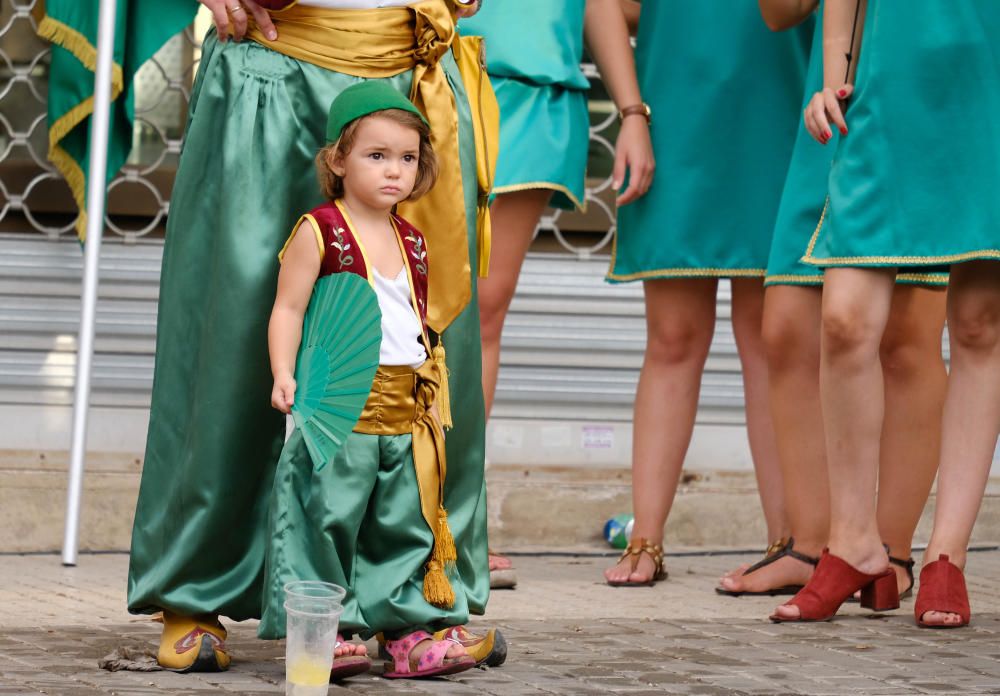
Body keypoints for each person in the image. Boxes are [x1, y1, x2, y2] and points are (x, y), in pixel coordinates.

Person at [126, 0, 503, 672]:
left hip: (405, 71)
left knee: (414, 354)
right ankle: (194, 589)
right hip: (272, 62)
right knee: (238, 335)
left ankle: (405, 606)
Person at [772, 0, 1000, 627]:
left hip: (992, 82)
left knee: (980, 322)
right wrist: (832, 70)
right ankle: (853, 542)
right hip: (885, 83)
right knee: (845, 320)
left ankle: (945, 555)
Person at [716, 0, 947, 599]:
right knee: (788, 326)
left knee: (906, 333)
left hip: (924, 87)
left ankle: (891, 554)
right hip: (837, 93)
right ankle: (812, 544)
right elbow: (777, 13)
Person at [257, 82, 478, 679]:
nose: (394, 172)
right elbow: (288, 309)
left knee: (399, 523)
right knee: (326, 518)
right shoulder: (319, 230)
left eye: (407, 159)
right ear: (337, 160)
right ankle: (323, 633)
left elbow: (413, 320)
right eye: (375, 156)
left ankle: (404, 633)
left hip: (402, 406)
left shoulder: (412, 240)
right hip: (338, 407)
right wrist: (283, 371)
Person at [604, 0, 811, 586]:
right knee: (672, 338)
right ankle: (645, 537)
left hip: (783, 107)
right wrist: (631, 112)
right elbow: (608, 7)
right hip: (674, 114)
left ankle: (791, 543)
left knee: (773, 343)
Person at [459, 0, 654, 587]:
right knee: (405, 303)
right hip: (426, 75)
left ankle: (458, 524)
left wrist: (632, 112)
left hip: (535, 95)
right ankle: (392, 519)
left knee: (478, 315)